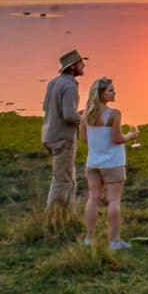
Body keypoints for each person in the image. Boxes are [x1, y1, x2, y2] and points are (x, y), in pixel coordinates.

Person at [81, 77, 140, 249]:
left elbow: (84, 139)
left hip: (93, 162)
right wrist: (130, 136)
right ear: (101, 94)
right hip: (112, 162)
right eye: (111, 90)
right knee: (114, 200)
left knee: (93, 199)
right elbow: (117, 138)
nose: (114, 93)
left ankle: (88, 238)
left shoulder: (86, 114)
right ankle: (114, 240)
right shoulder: (114, 114)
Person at [42, 50, 87, 221]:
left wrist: (77, 113)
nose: (84, 66)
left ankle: (69, 218)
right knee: (62, 181)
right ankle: (52, 220)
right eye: (81, 63)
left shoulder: (53, 82)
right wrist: (84, 118)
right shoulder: (70, 86)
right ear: (73, 67)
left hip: (49, 135)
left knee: (68, 179)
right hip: (63, 138)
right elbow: (68, 115)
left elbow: (48, 108)